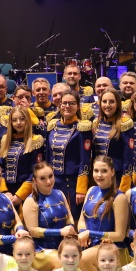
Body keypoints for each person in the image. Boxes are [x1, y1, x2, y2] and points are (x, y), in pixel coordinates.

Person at [78, 156, 130, 271]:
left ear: (112, 172)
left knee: (82, 259)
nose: (99, 175)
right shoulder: (91, 190)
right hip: (89, 244)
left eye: (104, 171)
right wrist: (83, 233)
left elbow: (120, 235)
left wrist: (90, 234)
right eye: (96, 171)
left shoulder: (119, 197)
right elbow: (82, 220)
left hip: (111, 246)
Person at [46, 91, 93, 221]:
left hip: (71, 183)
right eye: (64, 103)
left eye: (71, 103)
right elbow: (47, 157)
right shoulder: (52, 126)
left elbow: (85, 161)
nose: (67, 106)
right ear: (59, 105)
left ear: (78, 106)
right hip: (53, 181)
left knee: (72, 218)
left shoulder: (82, 128)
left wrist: (81, 189)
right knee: (54, 216)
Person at [21, 162, 75, 271]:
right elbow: (33, 231)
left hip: (63, 245)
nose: (48, 181)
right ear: (35, 181)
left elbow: (69, 217)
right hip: (41, 249)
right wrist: (60, 232)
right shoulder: (31, 201)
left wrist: (70, 229)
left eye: (51, 176)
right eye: (43, 178)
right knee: (63, 263)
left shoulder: (60, 193)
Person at [0, 105, 44, 206]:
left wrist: (20, 195)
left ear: (28, 120)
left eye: (22, 119)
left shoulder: (35, 141)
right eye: (14, 120)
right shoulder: (5, 140)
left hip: (27, 193)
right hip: (6, 193)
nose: (18, 123)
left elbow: (36, 171)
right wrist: (4, 191)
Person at [92, 88, 136, 191]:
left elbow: (128, 157)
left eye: (111, 102)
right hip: (98, 175)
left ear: (117, 104)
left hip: (117, 176)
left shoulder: (125, 124)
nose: (107, 105)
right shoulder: (96, 123)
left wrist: (125, 184)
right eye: (104, 101)